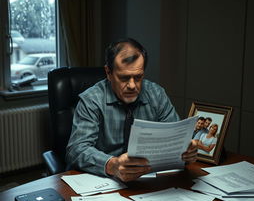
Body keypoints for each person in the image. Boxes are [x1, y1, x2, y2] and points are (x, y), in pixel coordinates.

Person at [66, 38, 197, 182]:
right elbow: (76, 150)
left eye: (138, 77)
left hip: (150, 182)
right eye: (124, 78)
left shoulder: (156, 94)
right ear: (108, 72)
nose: (132, 86)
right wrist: (113, 165)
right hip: (105, 183)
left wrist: (186, 152)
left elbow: (175, 139)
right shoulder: (91, 100)